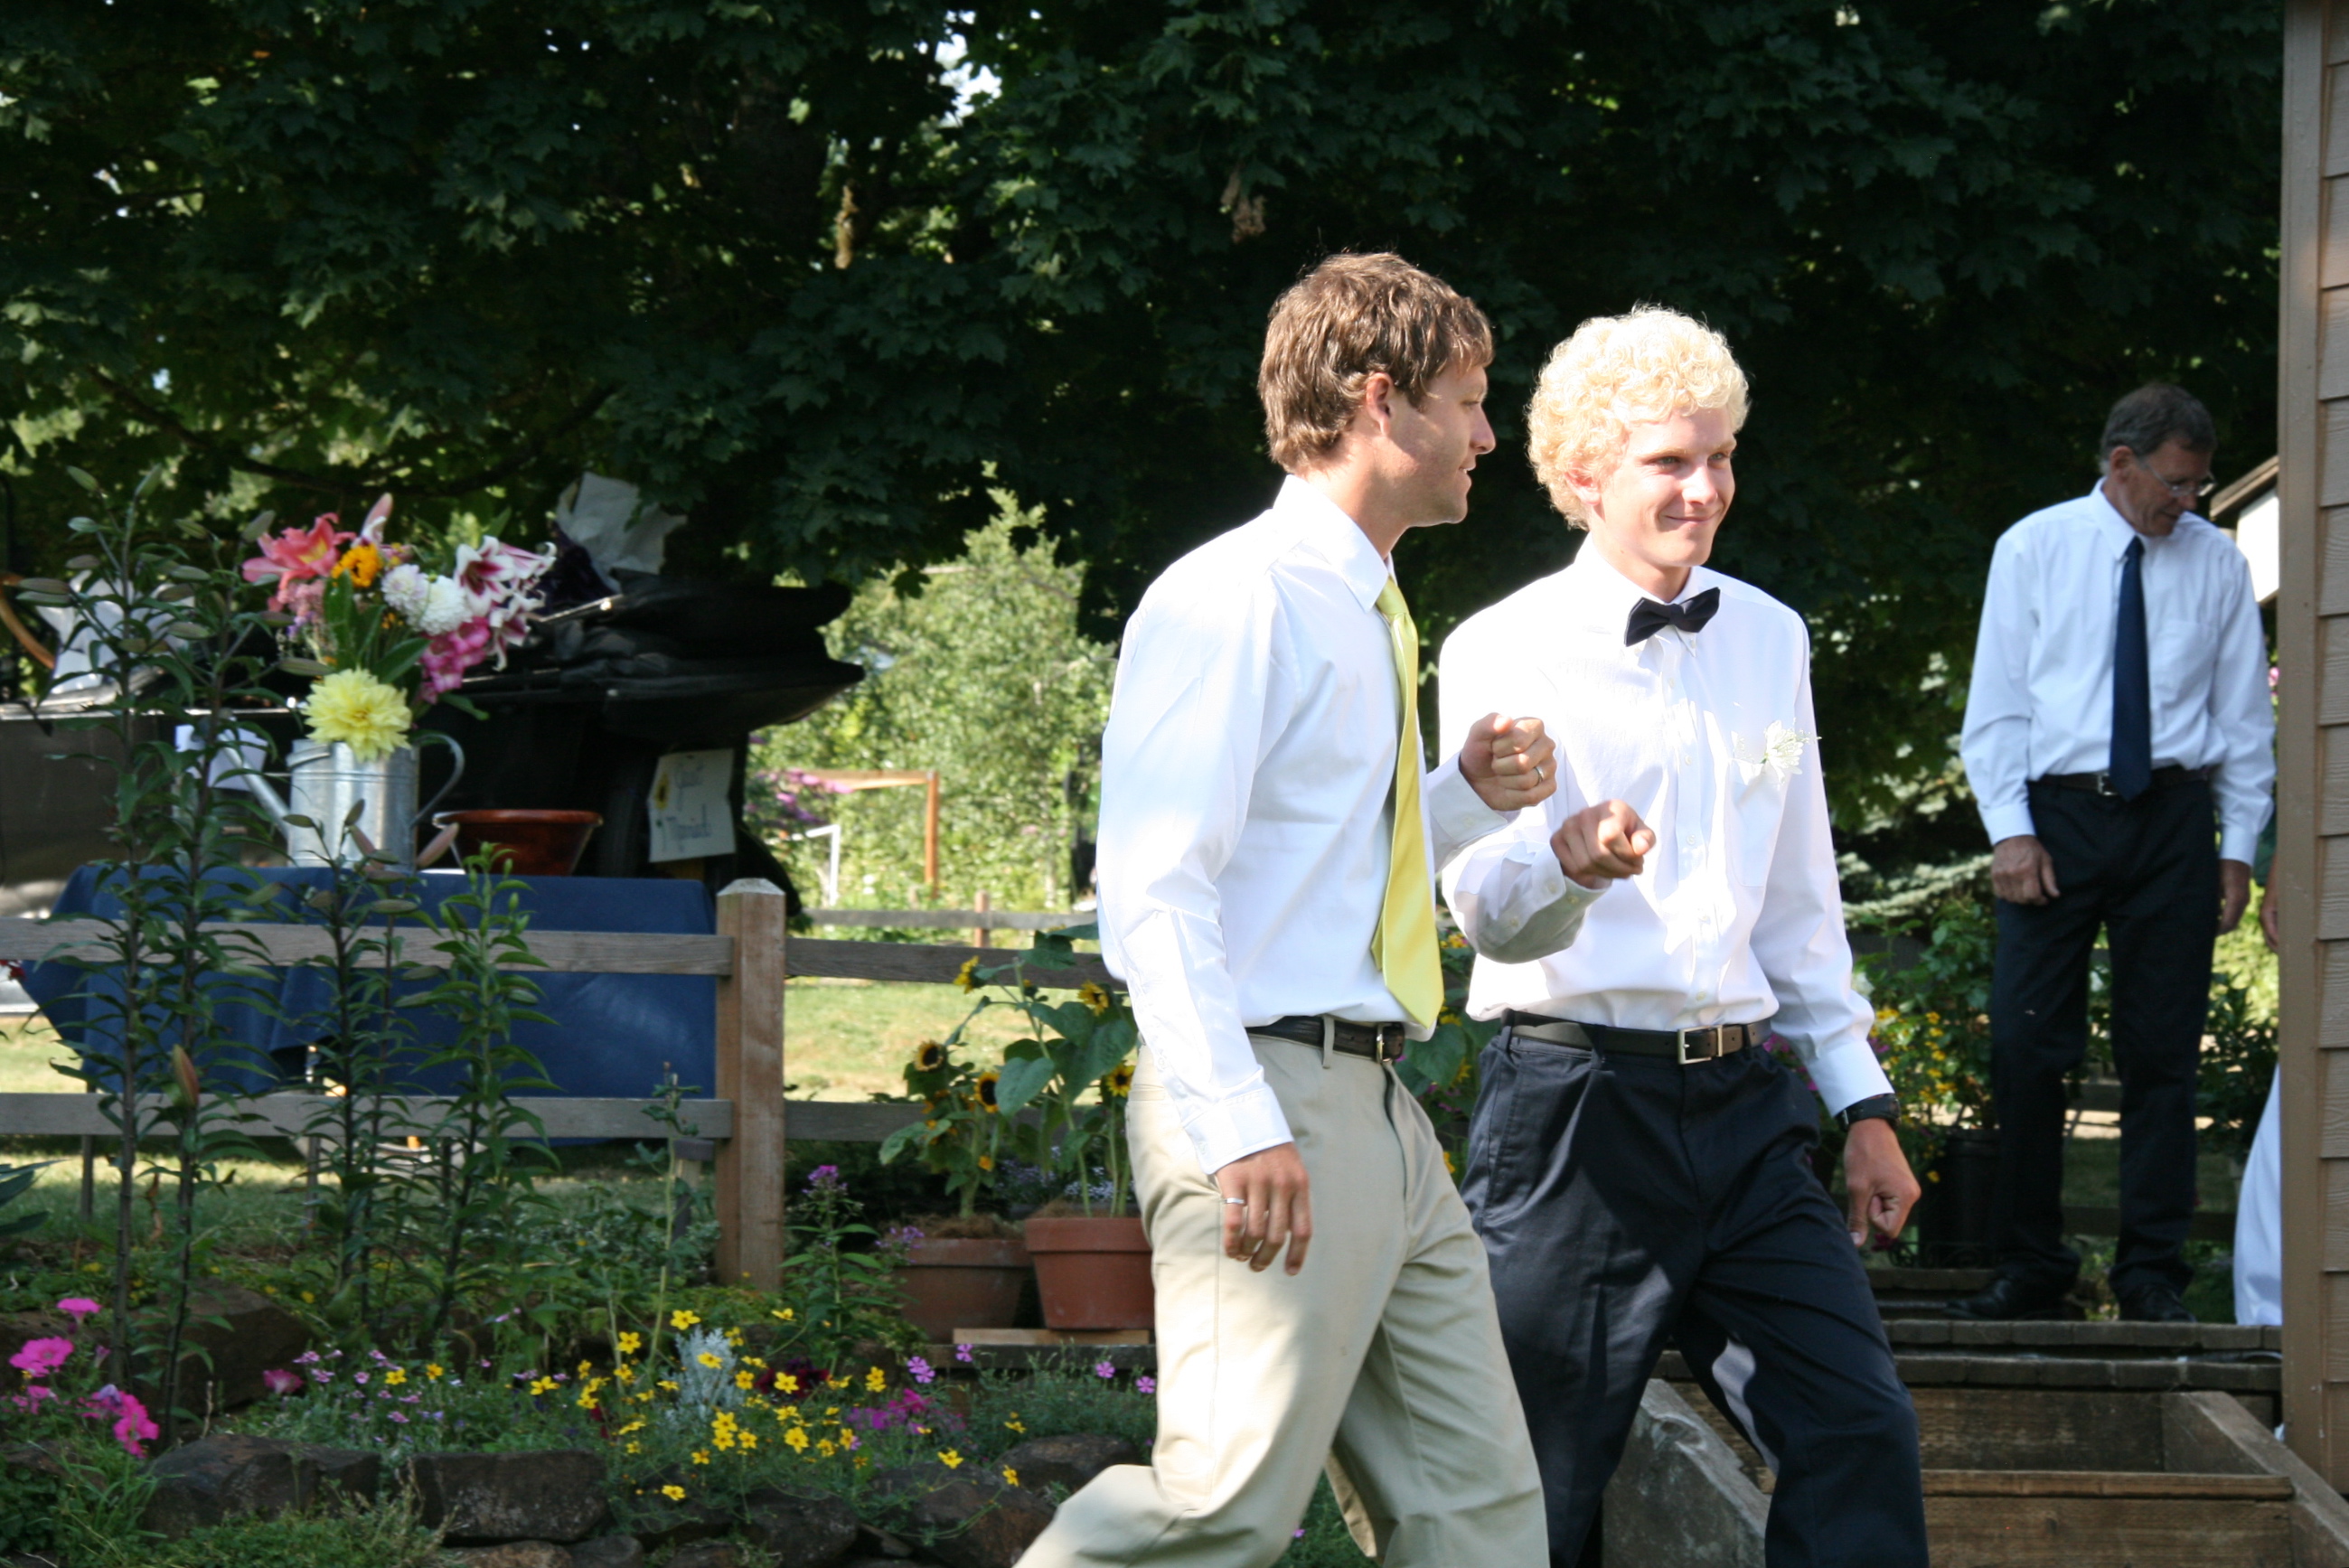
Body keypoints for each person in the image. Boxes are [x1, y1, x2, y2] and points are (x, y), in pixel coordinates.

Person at [1018, 253, 1557, 1568]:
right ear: (1379, 400)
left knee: (1478, 1516)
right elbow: (1153, 883)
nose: (1488, 435)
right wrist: (1238, 1121)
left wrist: (1460, 796)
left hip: (1377, 1107)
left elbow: (1323, 869)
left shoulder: (1362, 604)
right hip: (1266, 1097)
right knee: (1220, 1507)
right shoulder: (1235, 596)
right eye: (1468, 401)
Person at [1438, 306, 1928, 1568]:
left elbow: (1798, 899)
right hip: (1572, 1114)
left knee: (1858, 1426)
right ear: (1583, 473)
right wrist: (1566, 863)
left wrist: (1861, 1102)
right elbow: (1482, 911)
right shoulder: (1500, 645)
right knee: (1535, 1492)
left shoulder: (1770, 635)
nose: (1704, 488)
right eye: (1669, 460)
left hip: (1745, 1111)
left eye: (1719, 457)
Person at [1954, 383, 2274, 1324]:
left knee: (2162, 1054)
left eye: (2199, 484)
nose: (2188, 500)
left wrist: (2236, 849)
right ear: (2121, 463)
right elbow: (1996, 705)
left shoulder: (2216, 562)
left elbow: (2242, 718)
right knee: (2024, 1047)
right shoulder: (2034, 546)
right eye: (2175, 483)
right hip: (2054, 816)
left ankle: (2150, 1276)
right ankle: (2028, 1265)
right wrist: (2009, 830)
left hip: (2173, 819)